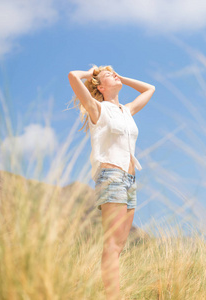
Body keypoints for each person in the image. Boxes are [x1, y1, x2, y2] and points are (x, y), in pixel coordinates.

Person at [68, 65, 155, 300]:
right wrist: (92, 72)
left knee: (119, 246)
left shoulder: (126, 111)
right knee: (112, 245)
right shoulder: (98, 109)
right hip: (111, 176)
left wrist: (120, 77)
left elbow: (150, 89)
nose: (114, 75)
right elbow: (73, 77)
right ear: (100, 87)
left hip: (130, 179)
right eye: (109, 76)